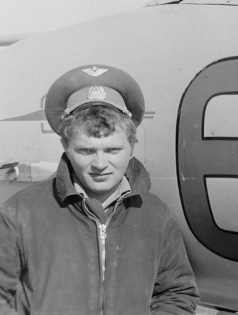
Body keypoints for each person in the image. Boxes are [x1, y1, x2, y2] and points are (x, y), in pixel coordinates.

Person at [0, 65, 200, 315]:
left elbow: (176, 292)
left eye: (113, 150)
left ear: (132, 147)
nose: (100, 164)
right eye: (86, 151)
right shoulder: (20, 212)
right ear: (66, 146)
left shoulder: (156, 214)